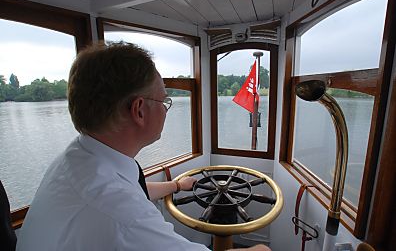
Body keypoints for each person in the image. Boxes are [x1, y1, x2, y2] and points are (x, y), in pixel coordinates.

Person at [16, 42, 271, 251]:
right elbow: (121, 207)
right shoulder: (123, 216)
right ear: (139, 110)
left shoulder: (76, 158)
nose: (165, 108)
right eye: (163, 100)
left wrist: (175, 186)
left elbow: (129, 189)